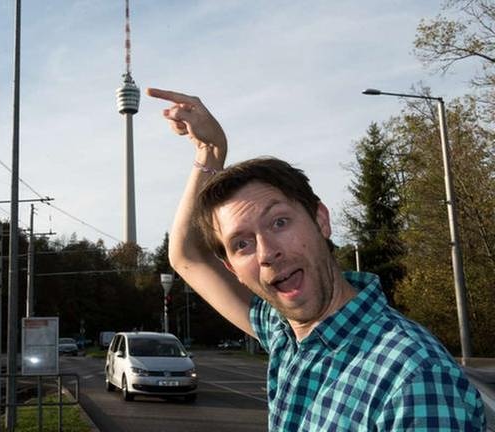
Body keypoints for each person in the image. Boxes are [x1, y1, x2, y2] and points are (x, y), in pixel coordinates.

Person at [147, 87, 486, 431]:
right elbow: (187, 255)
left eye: (279, 222)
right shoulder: (284, 333)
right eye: (242, 244)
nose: (267, 253)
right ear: (231, 268)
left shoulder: (414, 379)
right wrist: (210, 152)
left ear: (321, 219)